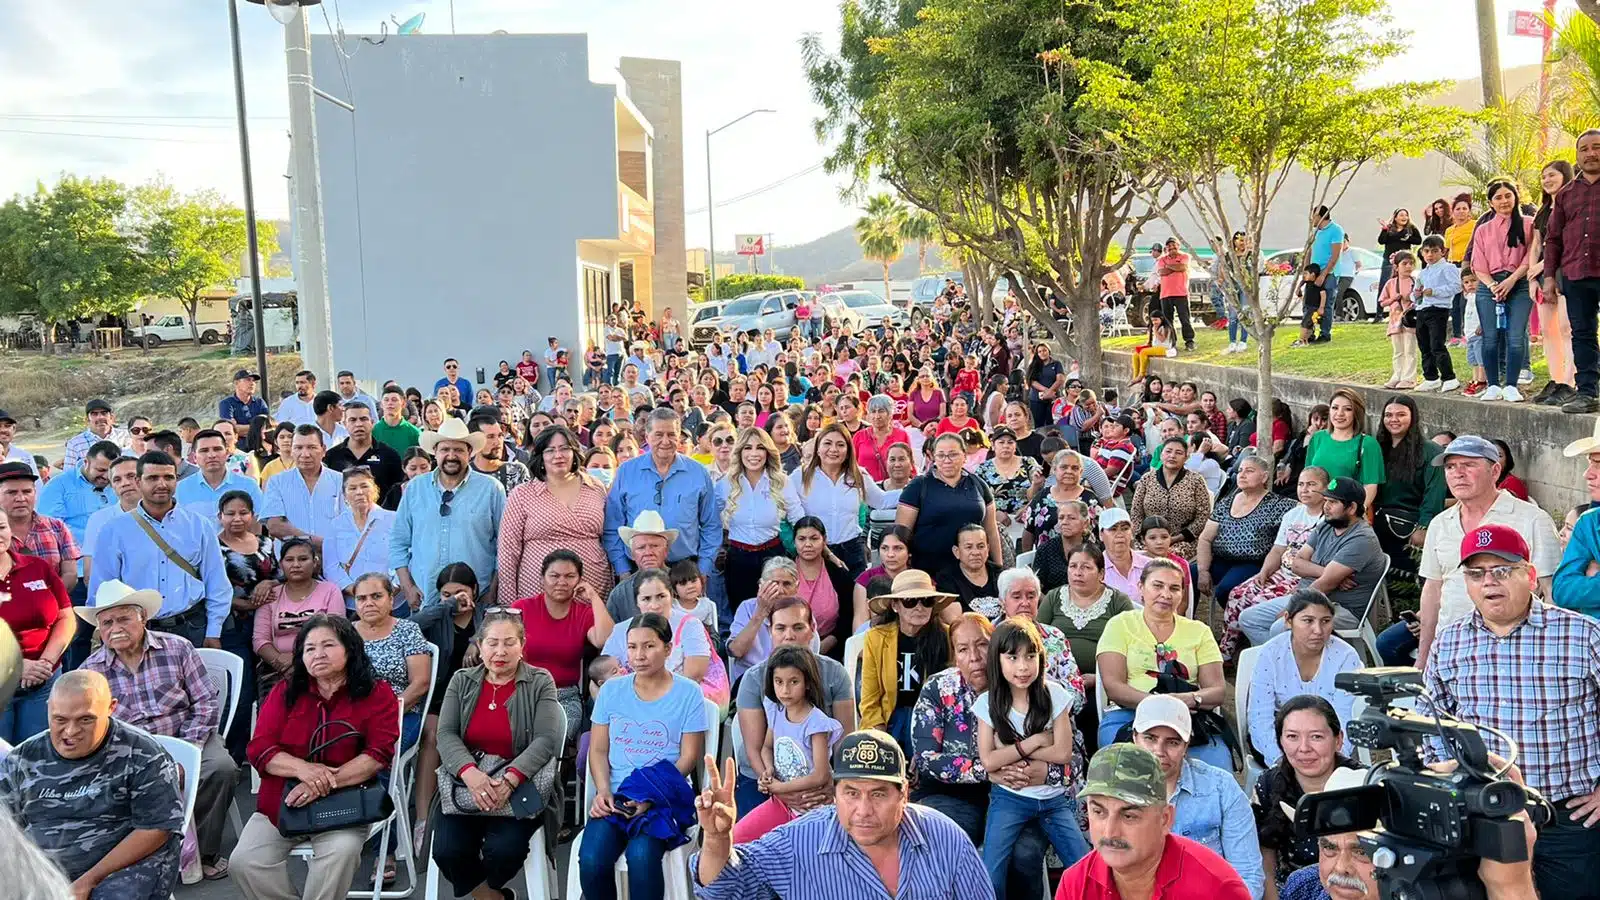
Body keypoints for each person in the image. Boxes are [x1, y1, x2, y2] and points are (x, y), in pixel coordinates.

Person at [1422, 523, 1600, 898]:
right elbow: (1431, 725)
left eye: (1503, 570)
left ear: (1530, 575)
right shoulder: (1449, 642)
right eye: (1476, 573)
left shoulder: (1582, 635)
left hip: (1568, 819)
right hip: (1484, 817)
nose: (1490, 582)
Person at [692, 729, 993, 900]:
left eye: (878, 794)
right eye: (851, 793)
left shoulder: (945, 838)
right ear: (834, 793)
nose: (863, 811)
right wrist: (718, 840)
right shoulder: (799, 841)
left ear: (903, 793)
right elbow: (725, 888)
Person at [230, 614, 400, 900]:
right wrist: (304, 770)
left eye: (328, 646)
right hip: (283, 803)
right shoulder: (287, 691)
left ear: (350, 649)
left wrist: (320, 783)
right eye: (309, 648)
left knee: (341, 853)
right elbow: (259, 748)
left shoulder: (376, 693)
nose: (318, 654)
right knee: (245, 862)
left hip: (345, 802)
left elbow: (377, 755)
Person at [78, 580, 237, 881]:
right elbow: (96, 728)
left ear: (143, 618)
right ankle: (150, 858)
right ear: (99, 630)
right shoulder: (92, 670)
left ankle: (203, 853)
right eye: (107, 622)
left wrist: (186, 752)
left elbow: (204, 702)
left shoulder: (178, 648)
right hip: (132, 753)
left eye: (124, 618)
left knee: (221, 768)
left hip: (187, 735)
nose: (116, 628)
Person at [0, 670, 185, 900]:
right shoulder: (24, 758)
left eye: (85, 719)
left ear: (111, 708)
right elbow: (6, 825)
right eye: (60, 719)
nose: (70, 731)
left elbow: (157, 828)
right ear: (48, 708)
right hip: (45, 868)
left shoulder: (142, 753)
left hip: (120, 868)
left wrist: (88, 880)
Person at [430, 607, 563, 900]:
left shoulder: (540, 681)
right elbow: (446, 734)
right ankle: (493, 898)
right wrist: (471, 774)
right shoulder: (462, 680)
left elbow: (545, 739)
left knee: (505, 850)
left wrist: (510, 779)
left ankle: (488, 892)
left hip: (519, 786)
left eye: (509, 642)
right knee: (446, 851)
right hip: (466, 784)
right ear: (480, 645)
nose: (500, 651)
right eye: (492, 643)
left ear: (522, 645)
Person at [578, 613, 708, 900]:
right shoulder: (611, 690)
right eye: (632, 647)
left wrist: (649, 798)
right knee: (591, 860)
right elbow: (598, 750)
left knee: (642, 858)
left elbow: (688, 758)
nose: (639, 655)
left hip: (663, 796)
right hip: (616, 796)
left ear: (668, 648)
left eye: (648, 646)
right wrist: (602, 792)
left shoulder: (688, 693)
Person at [1411, 436, 1559, 668]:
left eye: (1469, 465)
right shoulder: (1440, 523)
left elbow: (1551, 593)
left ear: (1495, 470)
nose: (1458, 473)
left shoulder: (1532, 519)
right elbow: (1433, 590)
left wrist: (1550, 654)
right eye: (1450, 467)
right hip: (1453, 647)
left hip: (1517, 650)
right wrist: (1423, 659)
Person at [975, 618, 1091, 896]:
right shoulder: (987, 703)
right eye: (1012, 657)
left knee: (1083, 863)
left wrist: (1010, 750)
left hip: (1054, 799)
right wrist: (1037, 741)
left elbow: (1063, 752)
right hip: (1009, 798)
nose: (1023, 666)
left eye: (1030, 656)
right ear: (997, 660)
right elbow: (989, 761)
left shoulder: (1055, 695)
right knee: (991, 872)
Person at [1057, 744, 1252, 899]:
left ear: (1165, 819)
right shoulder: (1076, 884)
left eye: (1129, 816)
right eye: (1099, 812)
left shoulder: (1216, 889)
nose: (1109, 833)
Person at [89, 451, 232, 649]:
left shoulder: (199, 525)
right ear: (138, 482)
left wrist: (213, 631)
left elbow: (216, 582)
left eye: (168, 477)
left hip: (192, 627)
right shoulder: (114, 530)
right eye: (153, 478)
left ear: (177, 480)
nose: (162, 484)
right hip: (137, 631)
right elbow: (102, 589)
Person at [1096, 560, 1230, 770]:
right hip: (1130, 713)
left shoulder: (1199, 631)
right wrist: (1157, 706)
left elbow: (1217, 691)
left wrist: (1186, 700)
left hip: (1187, 716)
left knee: (1216, 767)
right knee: (1123, 771)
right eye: (1157, 586)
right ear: (1141, 587)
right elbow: (1113, 687)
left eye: (1174, 588)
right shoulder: (1120, 624)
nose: (1166, 594)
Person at [1131, 695, 1265, 898]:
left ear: (1186, 746)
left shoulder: (1221, 788)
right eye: (1150, 738)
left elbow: (1247, 875)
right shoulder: (1115, 792)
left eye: (1173, 742)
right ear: (1134, 738)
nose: (1159, 751)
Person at [732, 597, 855, 815]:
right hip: (761, 777)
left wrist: (835, 784)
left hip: (820, 778)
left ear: (812, 630)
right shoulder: (753, 678)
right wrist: (777, 789)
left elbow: (844, 742)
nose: (789, 635)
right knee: (752, 842)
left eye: (798, 627)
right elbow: (755, 748)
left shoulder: (834, 673)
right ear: (770, 631)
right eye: (781, 628)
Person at [1238, 477, 1384, 648]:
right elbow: (1297, 563)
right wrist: (1327, 572)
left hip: (1340, 608)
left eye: (1333, 502)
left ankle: (1296, 666)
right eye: (1326, 500)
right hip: (1308, 596)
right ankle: (1284, 664)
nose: (1326, 507)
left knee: (1281, 626)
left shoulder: (1361, 539)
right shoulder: (1326, 526)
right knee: (1249, 619)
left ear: (1351, 507)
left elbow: (1324, 585)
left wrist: (1291, 609)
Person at [730, 645, 845, 843]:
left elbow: (821, 775)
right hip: (782, 802)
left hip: (813, 806)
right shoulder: (776, 712)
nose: (785, 690)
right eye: (779, 682)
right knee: (737, 837)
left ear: (807, 683)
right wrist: (768, 770)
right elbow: (767, 747)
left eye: (793, 682)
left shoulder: (816, 723)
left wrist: (778, 788)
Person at [392, 418, 506, 610]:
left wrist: (492, 591)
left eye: (459, 450)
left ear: (470, 453)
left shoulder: (491, 489)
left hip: (477, 599)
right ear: (434, 452)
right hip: (425, 598)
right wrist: (408, 587)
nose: (451, 456)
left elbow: (503, 545)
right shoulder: (415, 488)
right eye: (445, 450)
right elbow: (398, 542)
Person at [1251, 696, 1359, 897]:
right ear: (1280, 741)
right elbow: (1265, 853)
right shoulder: (1268, 784)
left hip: (1350, 886)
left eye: (1316, 737)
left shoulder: (1361, 782)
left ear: (1338, 739)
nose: (1304, 748)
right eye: (1292, 737)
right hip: (1290, 889)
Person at [499, 424, 612, 606]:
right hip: (536, 588)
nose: (558, 456)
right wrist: (508, 604)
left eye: (564, 449)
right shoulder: (522, 494)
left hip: (593, 586)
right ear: (540, 457)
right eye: (550, 450)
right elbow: (508, 551)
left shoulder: (595, 487)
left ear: (575, 452)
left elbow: (609, 537)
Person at [1245, 590, 1360, 768]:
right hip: (1281, 738)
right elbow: (1260, 716)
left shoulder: (1345, 657)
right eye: (1308, 621)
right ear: (1288, 621)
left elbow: (1346, 716)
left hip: (1327, 741)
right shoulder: (1270, 654)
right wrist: (1280, 760)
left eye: (1326, 621)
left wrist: (1333, 760)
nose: (1318, 630)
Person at [603, 407, 719, 582]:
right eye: (659, 434)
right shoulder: (627, 472)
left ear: (679, 436)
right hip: (637, 569)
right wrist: (623, 569)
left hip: (686, 570)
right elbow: (612, 525)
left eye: (671, 434)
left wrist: (703, 569)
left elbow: (711, 525)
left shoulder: (698, 473)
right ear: (647, 436)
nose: (665, 441)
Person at [1223, 468, 1328, 660]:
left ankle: (1272, 657)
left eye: (1312, 485)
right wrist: (1264, 572)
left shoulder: (1328, 520)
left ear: (1326, 488)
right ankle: (1228, 651)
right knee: (1237, 594)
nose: (1304, 490)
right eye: (1301, 484)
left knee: (1256, 603)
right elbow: (1278, 549)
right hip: (1282, 572)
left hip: (1303, 580)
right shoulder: (1293, 514)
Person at [511, 549, 614, 738]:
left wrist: (593, 596)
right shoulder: (522, 608)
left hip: (564, 696)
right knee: (515, 732)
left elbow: (604, 639)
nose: (561, 582)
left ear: (580, 580)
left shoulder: (583, 613)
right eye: (554, 576)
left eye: (570, 576)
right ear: (542, 578)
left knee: (553, 736)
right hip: (522, 691)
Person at [1540, 130, 1600, 413]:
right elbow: (1553, 239)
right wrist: (1549, 277)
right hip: (1577, 275)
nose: (1591, 153)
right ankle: (1587, 392)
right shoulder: (1565, 195)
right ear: (1577, 155)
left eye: (1597, 147)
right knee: (1582, 333)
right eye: (1584, 149)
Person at [0, 513, 73, 744]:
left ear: (10, 530)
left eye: (1, 527)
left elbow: (66, 617)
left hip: (45, 680)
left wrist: (46, 663)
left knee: (40, 759)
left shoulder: (38, 567)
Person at [859, 570, 953, 746]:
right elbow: (869, 700)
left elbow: (953, 696)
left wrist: (931, 741)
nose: (919, 607)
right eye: (910, 601)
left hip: (936, 720)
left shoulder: (948, 637)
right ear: (895, 606)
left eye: (927, 601)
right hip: (890, 720)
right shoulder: (876, 638)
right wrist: (883, 741)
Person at [599, 567, 722, 700]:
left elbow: (693, 678)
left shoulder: (690, 625)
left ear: (672, 596)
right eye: (646, 599)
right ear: (637, 602)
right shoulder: (621, 630)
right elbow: (601, 675)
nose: (655, 605)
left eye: (661, 596)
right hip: (630, 705)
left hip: (680, 701)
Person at [718, 426, 806, 611]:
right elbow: (711, 521)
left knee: (778, 611)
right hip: (738, 559)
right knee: (743, 613)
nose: (754, 453)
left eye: (760, 447)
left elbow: (799, 519)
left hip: (773, 557)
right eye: (748, 448)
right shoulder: (725, 484)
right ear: (740, 452)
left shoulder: (781, 482)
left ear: (768, 452)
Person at [1197, 454, 1295, 612]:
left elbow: (1304, 514)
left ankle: (1237, 627)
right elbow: (1205, 539)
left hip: (1254, 563)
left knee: (1226, 588)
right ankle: (1185, 623)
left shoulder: (1280, 505)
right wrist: (1203, 570)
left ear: (1264, 477)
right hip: (1221, 560)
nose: (1242, 474)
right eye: (1240, 470)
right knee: (1186, 574)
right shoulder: (1226, 502)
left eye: (1249, 471)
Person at [897, 432, 1004, 573]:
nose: (947, 460)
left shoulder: (978, 485)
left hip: (973, 572)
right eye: (941, 455)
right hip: (930, 571)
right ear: (934, 458)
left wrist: (999, 569)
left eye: (953, 454)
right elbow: (901, 534)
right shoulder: (918, 486)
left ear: (964, 456)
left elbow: (991, 531)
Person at [1471, 178, 1536, 402]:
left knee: (1516, 336)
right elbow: (1478, 264)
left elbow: (1531, 256)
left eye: (1508, 195)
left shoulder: (1529, 223)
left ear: (1516, 197)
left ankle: (1511, 385)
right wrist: (1492, 285)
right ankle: (1492, 385)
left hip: (1519, 283)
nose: (1504, 201)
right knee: (1490, 337)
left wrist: (1512, 280)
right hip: (1489, 286)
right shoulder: (1482, 230)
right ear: (1490, 203)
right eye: (1498, 197)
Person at [253, 536, 346, 692]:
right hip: (277, 668)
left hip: (321, 665)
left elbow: (336, 632)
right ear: (281, 564)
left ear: (315, 562)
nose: (296, 565)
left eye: (303, 559)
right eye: (289, 560)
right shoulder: (271, 594)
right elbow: (259, 639)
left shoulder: (330, 591)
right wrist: (279, 661)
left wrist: (302, 660)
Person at [796, 423, 888, 575]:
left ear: (848, 450)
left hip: (852, 550)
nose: (833, 450)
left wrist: (914, 488)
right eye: (827, 443)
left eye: (840, 445)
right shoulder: (800, 476)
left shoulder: (858, 475)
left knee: (854, 597)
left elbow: (882, 501)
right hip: (814, 552)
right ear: (818, 448)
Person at [1371, 396, 1445, 577]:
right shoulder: (1374, 447)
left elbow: (1434, 492)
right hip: (1373, 524)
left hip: (1408, 528)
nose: (1393, 419)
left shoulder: (1431, 451)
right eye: (1388, 415)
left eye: (1401, 414)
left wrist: (1424, 527)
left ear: (1413, 417)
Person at [1, 461, 80, 595]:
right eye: (11, 492)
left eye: (27, 491)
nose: (21, 498)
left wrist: (45, 602)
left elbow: (70, 574)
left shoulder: (57, 527)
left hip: (56, 608)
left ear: (35, 493)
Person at [260, 425, 344, 550]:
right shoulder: (277, 482)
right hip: (293, 564)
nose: (305, 454)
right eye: (298, 448)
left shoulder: (341, 481)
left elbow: (350, 525)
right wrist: (323, 545)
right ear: (292, 450)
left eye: (312, 447)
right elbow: (275, 527)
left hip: (335, 563)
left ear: (324, 450)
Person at [1129, 437, 1212, 561]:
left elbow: (1203, 515)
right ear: (1161, 455)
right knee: (1137, 556)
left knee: (1167, 559)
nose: (1172, 456)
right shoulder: (1147, 479)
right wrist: (1146, 538)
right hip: (1147, 538)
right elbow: (1136, 512)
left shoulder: (1196, 481)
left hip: (1182, 540)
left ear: (1186, 457)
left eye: (1178, 453)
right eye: (1168, 451)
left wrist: (1176, 538)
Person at [1302, 390, 1383, 513]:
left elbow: (1370, 485)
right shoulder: (1318, 438)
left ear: (1356, 413)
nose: (1339, 413)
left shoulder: (1368, 444)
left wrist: (1356, 512)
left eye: (1347, 409)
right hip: (1315, 509)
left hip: (1346, 512)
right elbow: (1308, 474)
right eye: (1335, 408)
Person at [35, 438, 114, 552]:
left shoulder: (120, 483)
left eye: (111, 471)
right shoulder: (58, 486)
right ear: (86, 462)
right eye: (101, 470)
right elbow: (49, 529)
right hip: (77, 561)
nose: (106, 477)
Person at [1021, 450, 1102, 552]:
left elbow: (1102, 535)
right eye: (1064, 467)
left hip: (1082, 562)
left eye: (1075, 468)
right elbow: (1028, 531)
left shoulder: (1091, 501)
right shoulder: (1041, 497)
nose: (1069, 471)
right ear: (1054, 470)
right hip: (1046, 562)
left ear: (1081, 472)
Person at [324, 402, 404, 504]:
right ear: (344, 424)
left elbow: (397, 494)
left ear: (372, 422)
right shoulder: (331, 456)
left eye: (363, 419)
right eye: (352, 420)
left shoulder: (389, 455)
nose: (359, 424)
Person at [176, 428, 263, 517]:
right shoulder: (180, 489)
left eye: (217, 449)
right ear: (194, 457)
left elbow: (258, 521)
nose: (211, 455)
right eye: (204, 451)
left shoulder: (248, 485)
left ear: (227, 453)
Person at [937, 523, 1005, 617]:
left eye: (981, 546)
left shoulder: (1001, 575)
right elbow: (954, 621)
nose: (976, 552)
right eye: (969, 547)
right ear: (957, 552)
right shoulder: (946, 579)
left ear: (988, 549)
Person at [854, 395, 911, 481]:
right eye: (873, 412)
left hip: (893, 488)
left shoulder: (901, 435)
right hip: (865, 488)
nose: (877, 416)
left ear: (890, 414)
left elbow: (909, 465)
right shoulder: (859, 436)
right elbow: (852, 465)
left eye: (881, 411)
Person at [63, 398, 131, 469]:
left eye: (104, 413)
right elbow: (69, 473)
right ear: (87, 420)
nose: (100, 417)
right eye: (94, 414)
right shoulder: (75, 443)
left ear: (112, 418)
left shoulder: (126, 436)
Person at [1156, 237, 1197, 350]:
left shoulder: (1185, 256)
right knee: (1168, 320)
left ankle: (1189, 341)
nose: (1171, 247)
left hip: (1181, 293)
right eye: (1169, 246)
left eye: (1174, 245)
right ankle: (1171, 342)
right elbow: (1161, 272)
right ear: (1166, 247)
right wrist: (1175, 267)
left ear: (1178, 245)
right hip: (1165, 294)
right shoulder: (1161, 259)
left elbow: (1183, 267)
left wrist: (1168, 266)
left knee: (1185, 318)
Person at [1026, 343, 1065, 428]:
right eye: (1039, 352)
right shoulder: (1034, 365)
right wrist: (1046, 391)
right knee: (1038, 425)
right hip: (1036, 399)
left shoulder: (1056, 364)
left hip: (1053, 398)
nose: (1042, 353)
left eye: (1044, 350)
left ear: (1049, 351)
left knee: (1052, 424)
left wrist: (1050, 392)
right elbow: (1032, 381)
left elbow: (1060, 379)